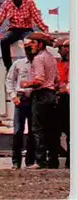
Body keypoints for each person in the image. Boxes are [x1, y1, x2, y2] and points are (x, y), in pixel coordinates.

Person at [0, 0, 48, 71]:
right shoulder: (7, 3)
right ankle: (9, 68)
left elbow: (37, 18)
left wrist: (46, 32)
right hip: (13, 29)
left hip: (26, 29)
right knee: (4, 41)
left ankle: (33, 65)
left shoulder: (29, 2)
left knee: (29, 42)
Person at [20, 32, 59, 169]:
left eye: (34, 43)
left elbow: (39, 80)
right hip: (52, 94)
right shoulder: (52, 58)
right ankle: (53, 160)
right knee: (52, 129)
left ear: (40, 44)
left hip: (41, 95)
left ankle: (40, 160)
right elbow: (57, 80)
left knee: (38, 129)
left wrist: (26, 84)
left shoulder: (38, 59)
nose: (31, 45)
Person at [5, 41, 36, 169]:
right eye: (27, 49)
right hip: (21, 98)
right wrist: (13, 96)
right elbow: (9, 80)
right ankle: (16, 161)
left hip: (35, 98)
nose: (28, 52)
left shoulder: (38, 64)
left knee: (33, 131)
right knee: (18, 131)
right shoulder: (19, 64)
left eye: (30, 49)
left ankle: (30, 161)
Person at [54, 37, 70, 168]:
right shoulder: (58, 64)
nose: (60, 51)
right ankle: (54, 159)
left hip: (69, 99)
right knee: (55, 131)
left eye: (61, 48)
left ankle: (70, 160)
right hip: (60, 99)